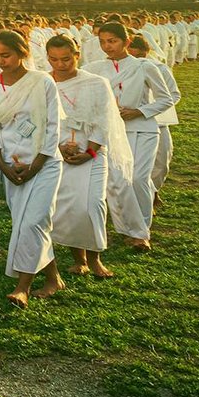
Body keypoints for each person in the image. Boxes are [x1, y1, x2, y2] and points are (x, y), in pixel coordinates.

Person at [0, 30, 65, 307]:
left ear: (22, 52)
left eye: (7, 54)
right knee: (29, 224)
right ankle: (53, 278)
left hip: (45, 163)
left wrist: (36, 164)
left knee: (33, 222)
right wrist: (1, 164)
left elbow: (53, 127)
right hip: (11, 165)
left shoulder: (42, 82)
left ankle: (22, 287)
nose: (1, 61)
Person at [46, 34, 130, 279]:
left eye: (66, 59)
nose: (61, 65)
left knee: (92, 205)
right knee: (69, 206)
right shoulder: (44, 83)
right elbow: (41, 122)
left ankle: (95, 259)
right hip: (57, 152)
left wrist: (90, 150)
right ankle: (78, 259)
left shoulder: (96, 83)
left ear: (77, 55)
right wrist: (58, 147)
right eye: (54, 59)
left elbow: (104, 120)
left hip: (92, 152)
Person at [92, 21, 178, 247]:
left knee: (139, 179)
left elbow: (166, 99)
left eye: (113, 41)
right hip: (113, 131)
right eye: (103, 42)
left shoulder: (144, 66)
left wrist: (139, 111)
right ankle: (131, 229)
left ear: (126, 42)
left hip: (143, 129)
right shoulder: (95, 69)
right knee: (119, 181)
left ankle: (141, 231)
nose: (108, 46)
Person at [129, 34, 180, 211]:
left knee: (161, 161)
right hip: (130, 122)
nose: (136, 60)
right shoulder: (125, 69)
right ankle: (142, 197)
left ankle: (154, 189)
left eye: (139, 56)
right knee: (135, 164)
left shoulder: (160, 68)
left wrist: (150, 109)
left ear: (146, 52)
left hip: (158, 120)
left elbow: (174, 94)